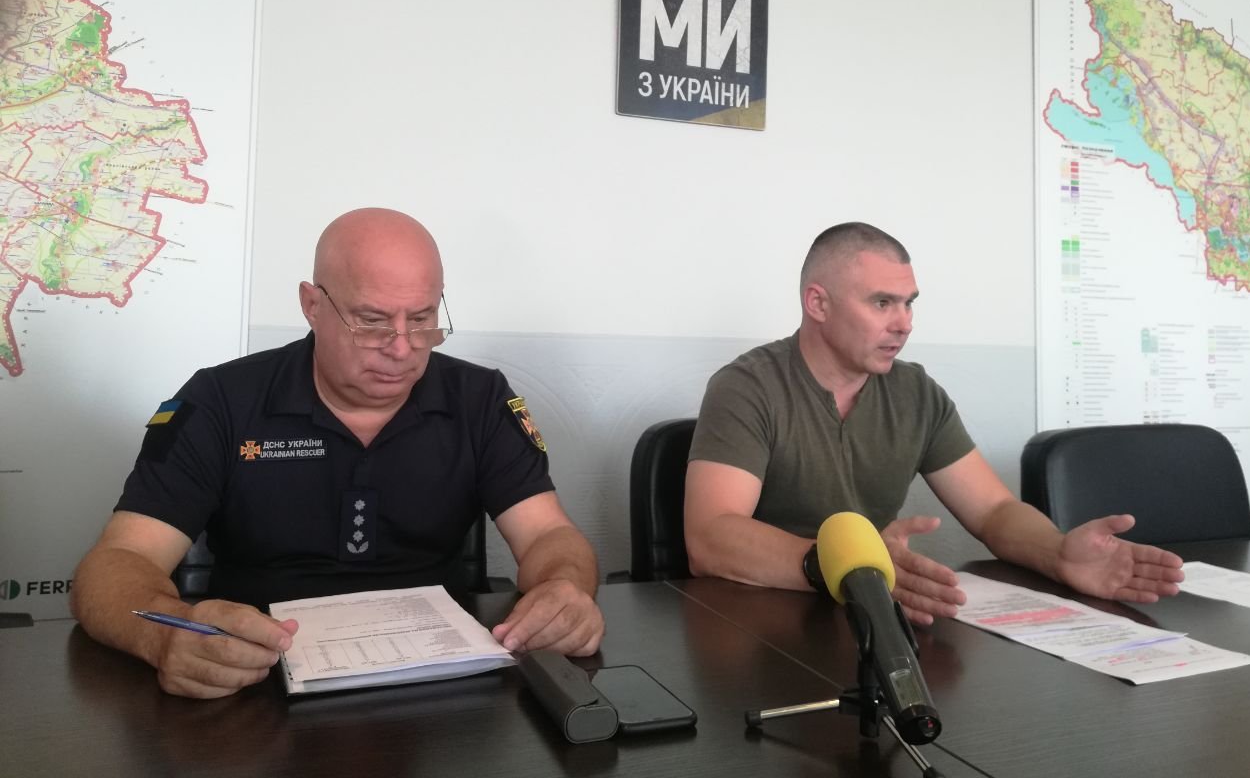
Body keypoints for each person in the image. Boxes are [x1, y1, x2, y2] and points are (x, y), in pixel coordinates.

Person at [71, 208, 604, 698]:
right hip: (251, 678)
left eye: (422, 319)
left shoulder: (479, 400)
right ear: (312, 305)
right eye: (372, 321)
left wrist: (565, 589)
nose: (402, 348)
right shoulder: (222, 402)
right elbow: (118, 562)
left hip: (439, 685)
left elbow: (548, 535)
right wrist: (163, 635)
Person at [683, 222, 1184, 625]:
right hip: (764, 624)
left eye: (909, 303)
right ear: (818, 303)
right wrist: (850, 565)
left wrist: (1057, 553)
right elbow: (710, 537)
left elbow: (993, 510)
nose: (904, 323)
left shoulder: (915, 392)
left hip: (877, 620)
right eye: (882, 302)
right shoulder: (747, 387)